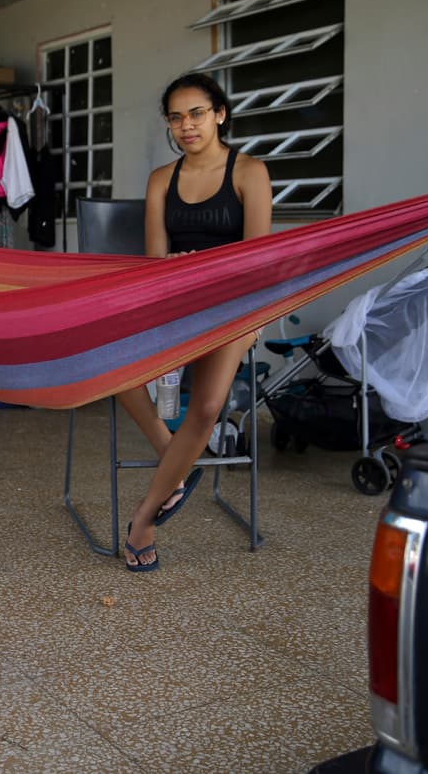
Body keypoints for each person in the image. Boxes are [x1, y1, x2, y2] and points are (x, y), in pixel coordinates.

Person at [116, 72, 272, 572]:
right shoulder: (162, 178)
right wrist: (176, 269)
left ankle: (143, 517)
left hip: (234, 307)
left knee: (206, 407)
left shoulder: (249, 173)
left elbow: (257, 261)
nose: (187, 125)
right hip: (175, 305)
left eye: (197, 113)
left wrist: (207, 272)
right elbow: (155, 261)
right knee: (113, 366)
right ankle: (176, 461)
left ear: (220, 114)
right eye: (176, 117)